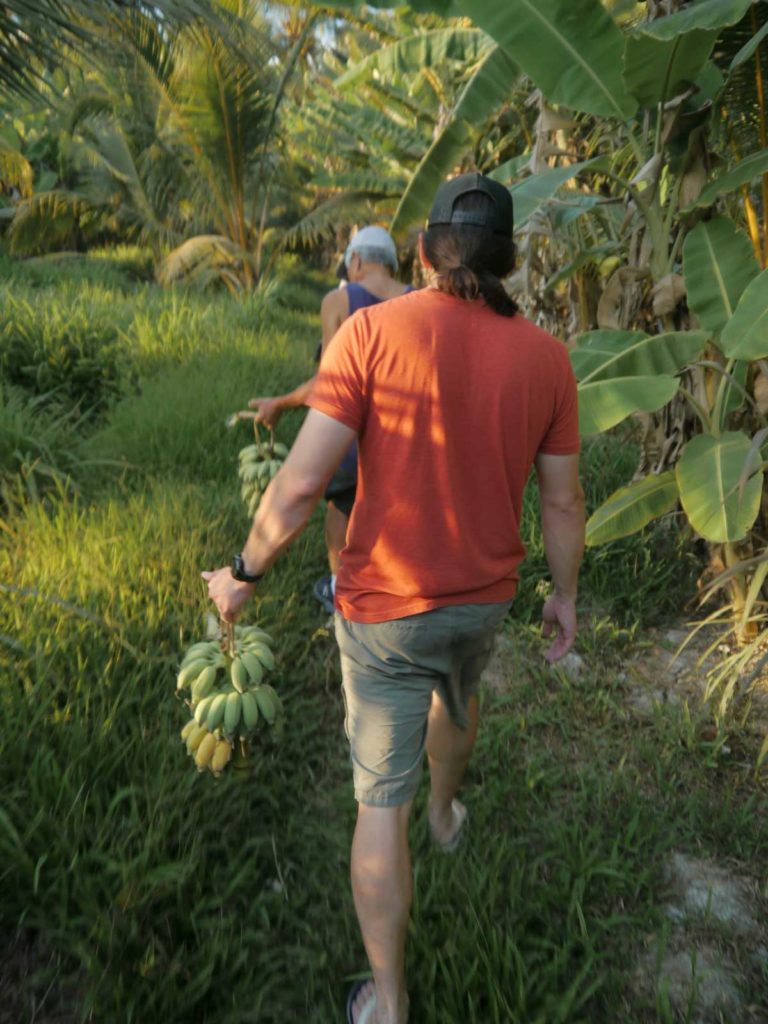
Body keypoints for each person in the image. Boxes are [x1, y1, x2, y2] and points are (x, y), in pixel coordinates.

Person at [203, 172, 585, 1024]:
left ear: (420, 253)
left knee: (381, 801)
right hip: (483, 598)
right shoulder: (549, 359)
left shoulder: (372, 332)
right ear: (510, 262)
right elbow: (562, 500)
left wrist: (243, 571)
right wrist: (564, 597)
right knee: (461, 693)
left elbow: (302, 486)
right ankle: (448, 814)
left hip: (382, 609)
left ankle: (391, 1000)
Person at [247, 226, 413, 616]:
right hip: (404, 437)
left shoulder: (338, 301)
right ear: (390, 263)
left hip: (350, 435)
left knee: (340, 506)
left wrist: (280, 404)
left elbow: (329, 381)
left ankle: (340, 591)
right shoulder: (418, 300)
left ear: (355, 261)